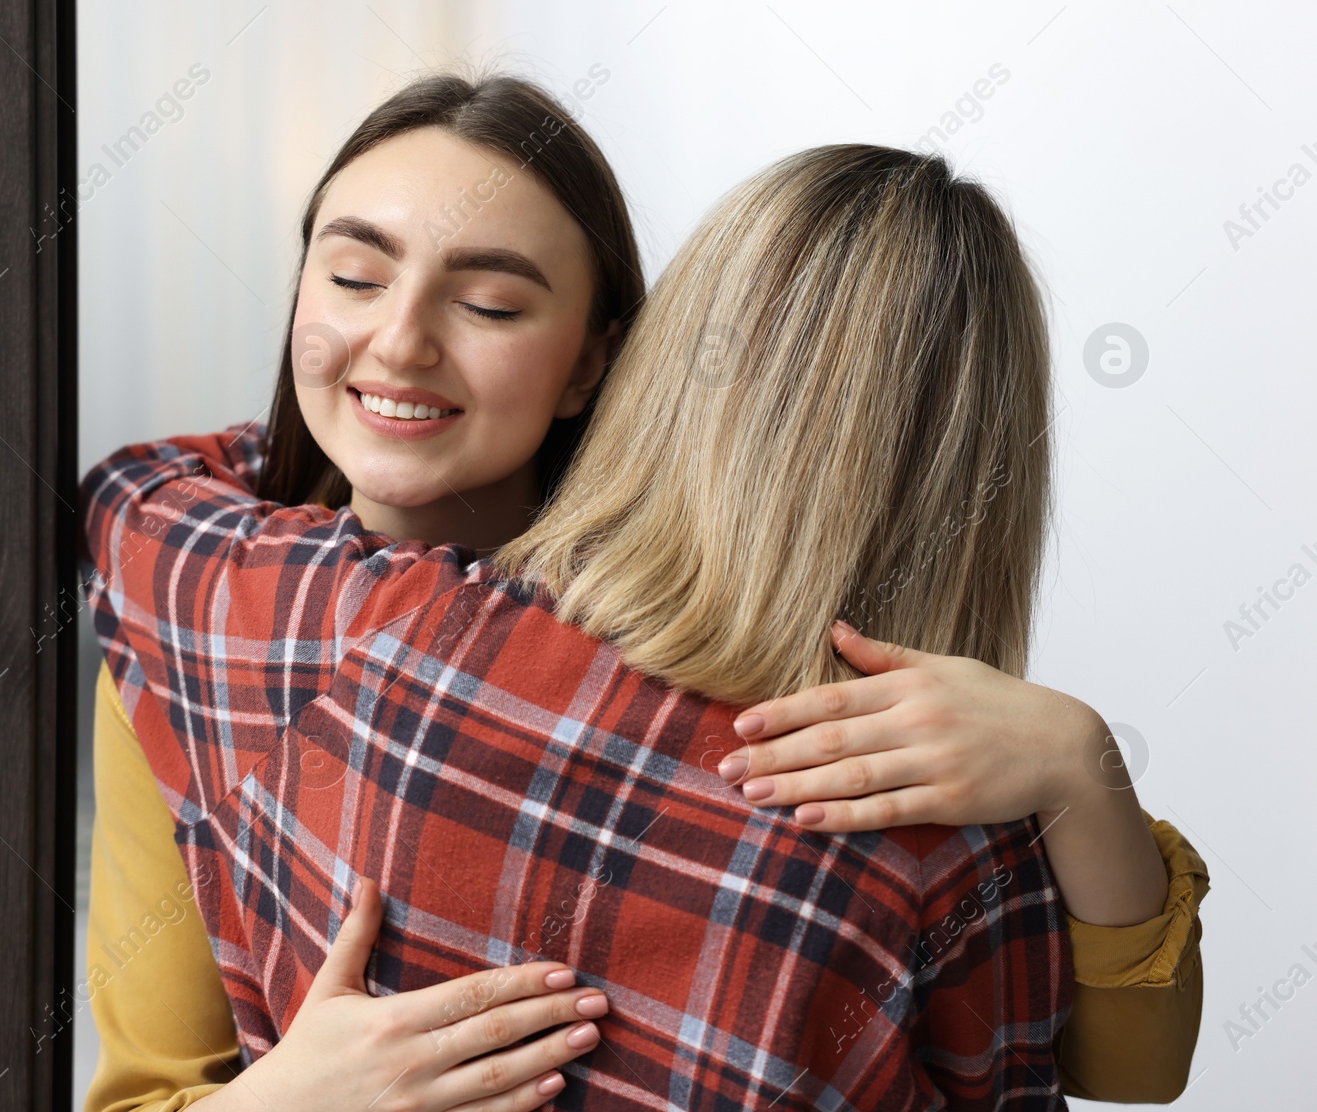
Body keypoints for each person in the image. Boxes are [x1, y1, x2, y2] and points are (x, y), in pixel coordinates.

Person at [81, 75, 1207, 1110]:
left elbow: (1132, 1056)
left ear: (603, 361)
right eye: (354, 275)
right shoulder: (204, 629)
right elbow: (143, 1088)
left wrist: (1076, 763)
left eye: (491, 303)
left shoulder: (200, 583)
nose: (400, 339)